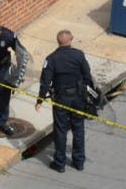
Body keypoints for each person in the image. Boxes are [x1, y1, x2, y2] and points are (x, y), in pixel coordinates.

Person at [35, 29, 95, 172]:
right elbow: (87, 75)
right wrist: (90, 95)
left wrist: (40, 100)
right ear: (71, 40)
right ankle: (79, 162)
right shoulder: (79, 55)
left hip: (61, 98)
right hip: (78, 97)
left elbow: (45, 82)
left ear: (58, 42)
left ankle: (60, 163)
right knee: (78, 128)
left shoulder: (51, 59)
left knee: (60, 130)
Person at [0, 23, 28, 137]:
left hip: (2, 68)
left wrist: (18, 75)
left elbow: (22, 54)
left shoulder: (9, 36)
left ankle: (1, 123)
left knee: (3, 95)